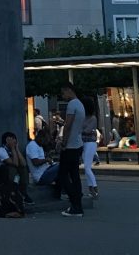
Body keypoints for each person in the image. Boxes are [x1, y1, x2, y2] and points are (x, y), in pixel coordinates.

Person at [57, 83, 85, 218]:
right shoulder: (80, 104)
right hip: (78, 144)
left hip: (70, 146)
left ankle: (75, 203)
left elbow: (67, 125)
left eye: (63, 93)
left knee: (63, 175)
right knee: (75, 175)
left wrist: (64, 142)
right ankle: (78, 205)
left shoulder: (72, 105)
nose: (63, 96)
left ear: (68, 90)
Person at [0, 131, 33, 204]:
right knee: (12, 168)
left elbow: (24, 164)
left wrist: (17, 149)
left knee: (22, 168)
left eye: (15, 139)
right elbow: (15, 164)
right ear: (7, 140)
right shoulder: (1, 150)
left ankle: (23, 194)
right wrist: (13, 148)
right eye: (12, 139)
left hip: (7, 176)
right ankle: (14, 193)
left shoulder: (12, 150)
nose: (15, 141)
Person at [81, 97, 99, 199]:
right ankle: (91, 189)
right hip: (85, 143)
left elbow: (86, 130)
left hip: (90, 143)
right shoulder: (84, 117)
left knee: (87, 167)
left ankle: (95, 188)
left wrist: (81, 130)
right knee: (86, 167)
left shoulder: (93, 118)